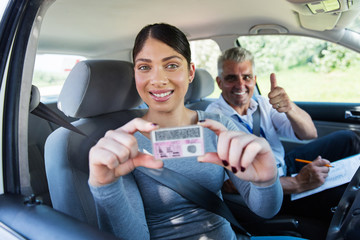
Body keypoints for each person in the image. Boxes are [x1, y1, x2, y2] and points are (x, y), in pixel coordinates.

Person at [87, 23, 309, 240]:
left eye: (172, 65)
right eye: (144, 67)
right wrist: (106, 187)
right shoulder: (122, 146)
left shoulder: (218, 125)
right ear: (135, 74)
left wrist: (266, 181)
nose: (158, 79)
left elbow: (266, 210)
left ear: (190, 72)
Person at [206, 47, 360, 236]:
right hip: (266, 189)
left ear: (254, 80)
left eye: (246, 77)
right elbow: (230, 184)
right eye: (231, 78)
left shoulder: (262, 104)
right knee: (346, 194)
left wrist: (289, 108)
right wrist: (297, 183)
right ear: (220, 82)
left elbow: (309, 133)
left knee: (349, 139)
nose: (240, 84)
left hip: (284, 164)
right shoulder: (214, 120)